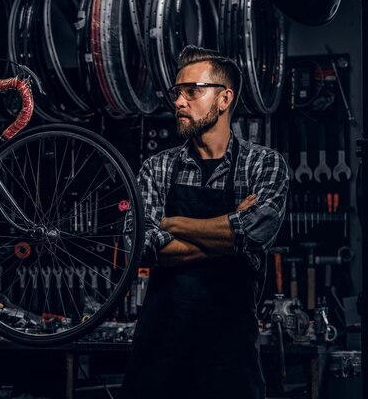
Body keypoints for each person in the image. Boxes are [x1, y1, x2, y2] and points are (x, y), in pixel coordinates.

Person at [121, 46, 289, 399]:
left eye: (192, 91)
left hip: (230, 358)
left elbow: (256, 233)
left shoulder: (263, 165)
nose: (179, 102)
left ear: (224, 98)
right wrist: (229, 237)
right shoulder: (158, 168)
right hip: (160, 355)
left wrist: (171, 223)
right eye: (176, 93)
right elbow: (137, 246)